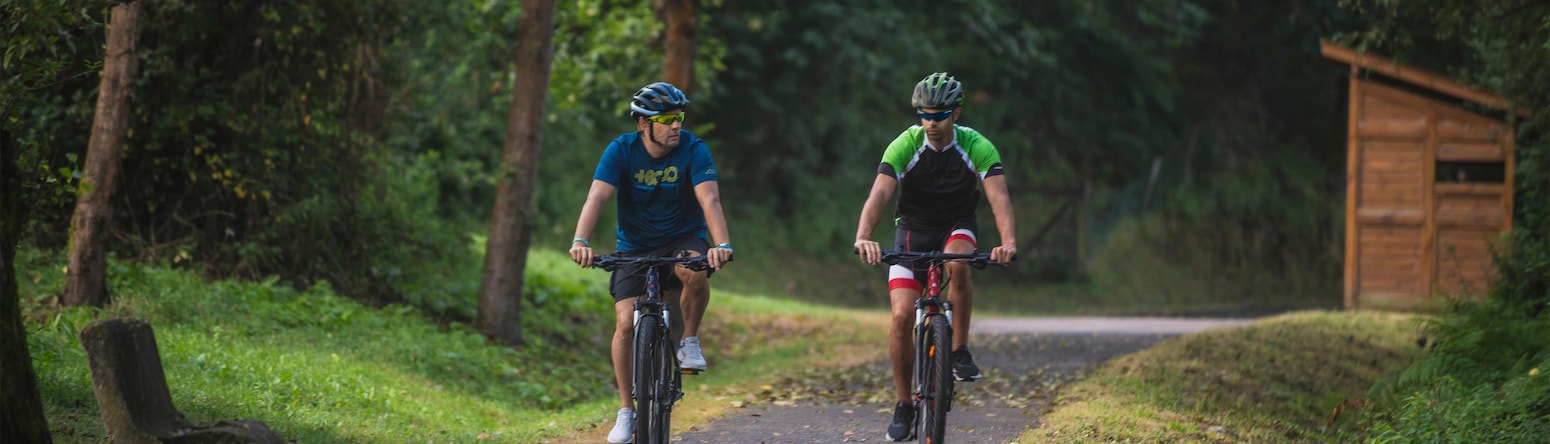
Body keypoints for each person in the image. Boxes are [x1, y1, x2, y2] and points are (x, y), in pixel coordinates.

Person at [852, 72, 1018, 441]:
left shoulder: (977, 146)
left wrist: (1007, 241)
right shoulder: (905, 145)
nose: (931, 123)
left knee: (957, 262)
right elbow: (878, 194)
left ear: (956, 114)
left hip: (956, 227)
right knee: (899, 317)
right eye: (924, 115)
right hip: (911, 230)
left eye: (939, 115)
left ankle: (958, 349)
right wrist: (864, 236)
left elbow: (999, 199)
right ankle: (904, 404)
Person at [568, 81, 734, 444]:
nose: (677, 125)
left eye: (680, 117)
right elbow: (597, 196)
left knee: (696, 268)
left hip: (681, 240)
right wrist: (581, 240)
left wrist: (720, 244)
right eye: (667, 119)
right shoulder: (621, 150)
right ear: (644, 124)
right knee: (625, 324)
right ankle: (626, 410)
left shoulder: (693, 148)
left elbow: (710, 201)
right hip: (634, 247)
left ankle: (689, 340)